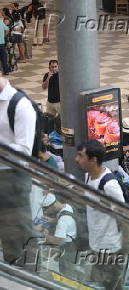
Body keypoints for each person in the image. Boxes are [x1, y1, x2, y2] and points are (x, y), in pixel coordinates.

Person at [75, 140, 125, 290]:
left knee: (112, 285)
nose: (76, 159)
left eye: (80, 155)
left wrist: (125, 246)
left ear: (93, 160)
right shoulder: (89, 176)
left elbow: (125, 214)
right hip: (95, 242)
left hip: (109, 247)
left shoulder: (109, 185)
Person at [0, 78, 35, 265]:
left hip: (13, 177)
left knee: (19, 233)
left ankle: (28, 277)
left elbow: (23, 152)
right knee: (7, 233)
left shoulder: (20, 105)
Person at [37, 193, 77, 280]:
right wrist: (52, 220)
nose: (46, 212)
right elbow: (66, 219)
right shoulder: (66, 207)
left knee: (67, 276)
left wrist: (45, 234)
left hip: (68, 250)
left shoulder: (63, 221)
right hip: (71, 244)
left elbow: (56, 241)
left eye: (46, 209)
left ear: (52, 206)